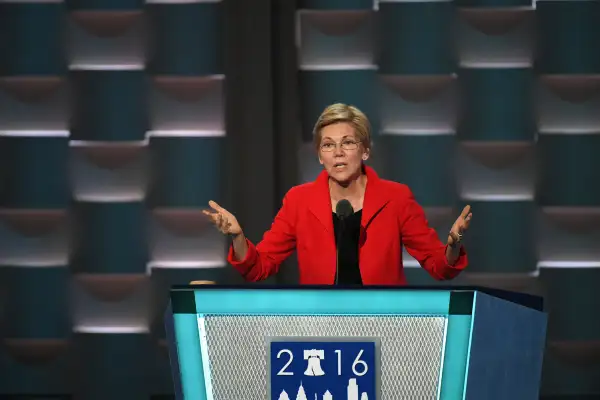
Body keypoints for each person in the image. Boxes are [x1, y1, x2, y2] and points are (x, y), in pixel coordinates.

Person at [203, 103, 472, 285]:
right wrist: (238, 237)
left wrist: (453, 245)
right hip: (322, 328)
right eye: (328, 145)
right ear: (320, 155)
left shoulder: (396, 198)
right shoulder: (299, 201)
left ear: (365, 150)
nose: (338, 153)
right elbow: (260, 267)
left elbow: (439, 266)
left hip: (385, 324)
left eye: (348, 143)